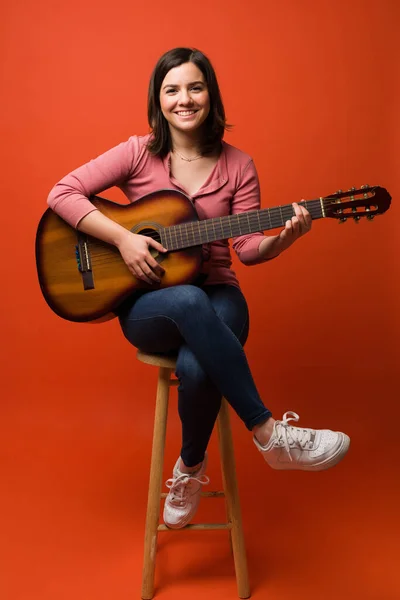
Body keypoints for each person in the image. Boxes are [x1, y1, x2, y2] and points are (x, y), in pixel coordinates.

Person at [47, 47, 350, 530]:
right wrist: (125, 240)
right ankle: (271, 435)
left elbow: (247, 249)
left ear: (210, 94)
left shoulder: (238, 164)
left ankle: (187, 470)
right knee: (187, 300)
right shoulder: (136, 151)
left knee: (197, 359)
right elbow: (61, 194)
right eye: (172, 90)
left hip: (220, 294)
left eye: (195, 87)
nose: (184, 99)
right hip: (152, 304)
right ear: (158, 98)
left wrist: (281, 240)